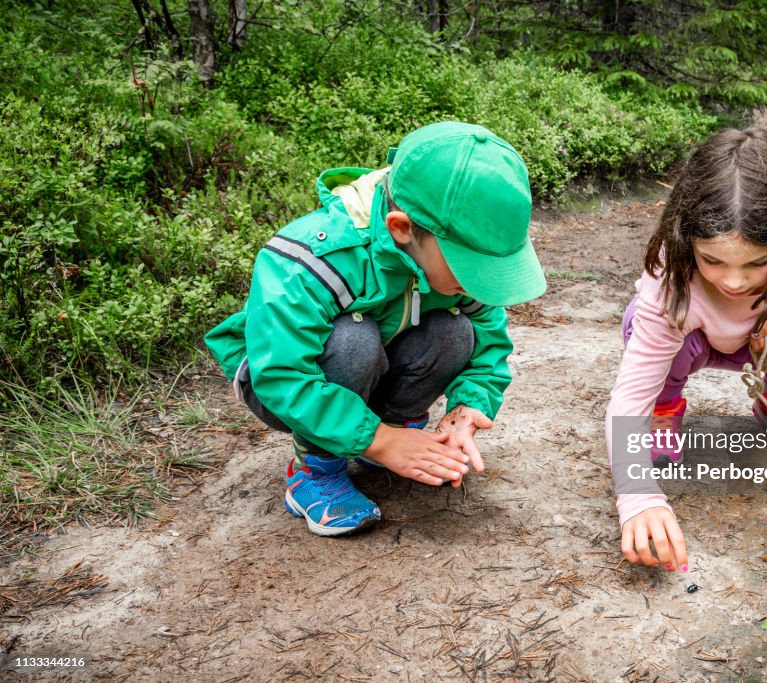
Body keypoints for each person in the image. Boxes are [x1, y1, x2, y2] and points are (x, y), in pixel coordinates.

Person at [205, 121, 547, 537]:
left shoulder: (450, 264)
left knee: (455, 332)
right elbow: (282, 375)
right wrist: (381, 441)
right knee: (353, 340)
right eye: (470, 266)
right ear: (402, 229)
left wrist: (469, 406)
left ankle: (385, 433)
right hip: (279, 382)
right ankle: (315, 469)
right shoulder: (312, 259)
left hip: (374, 367)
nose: (481, 282)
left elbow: (488, 343)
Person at [606, 128, 767, 571]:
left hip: (762, 345)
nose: (734, 282)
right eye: (712, 260)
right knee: (640, 319)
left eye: (758, 263)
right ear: (686, 238)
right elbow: (629, 392)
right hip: (690, 343)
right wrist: (636, 498)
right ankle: (668, 404)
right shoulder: (669, 262)